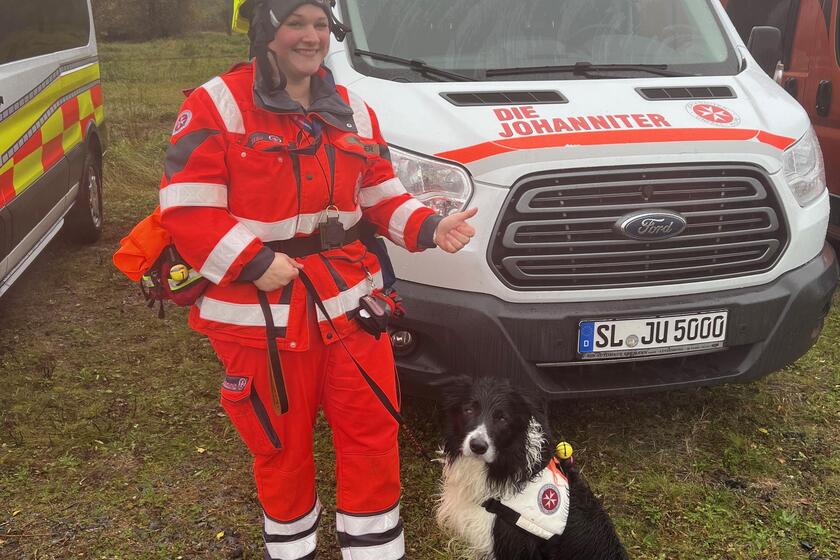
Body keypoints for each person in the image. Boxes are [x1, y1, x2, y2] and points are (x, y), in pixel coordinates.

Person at [157, 0, 477, 558]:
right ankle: (291, 549)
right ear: (265, 30)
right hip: (263, 318)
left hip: (353, 307)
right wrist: (254, 262)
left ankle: (375, 550)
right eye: (295, 23)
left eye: (321, 25)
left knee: (372, 433)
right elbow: (187, 208)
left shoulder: (353, 108)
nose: (311, 37)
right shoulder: (215, 105)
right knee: (280, 445)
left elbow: (379, 191)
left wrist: (429, 226)